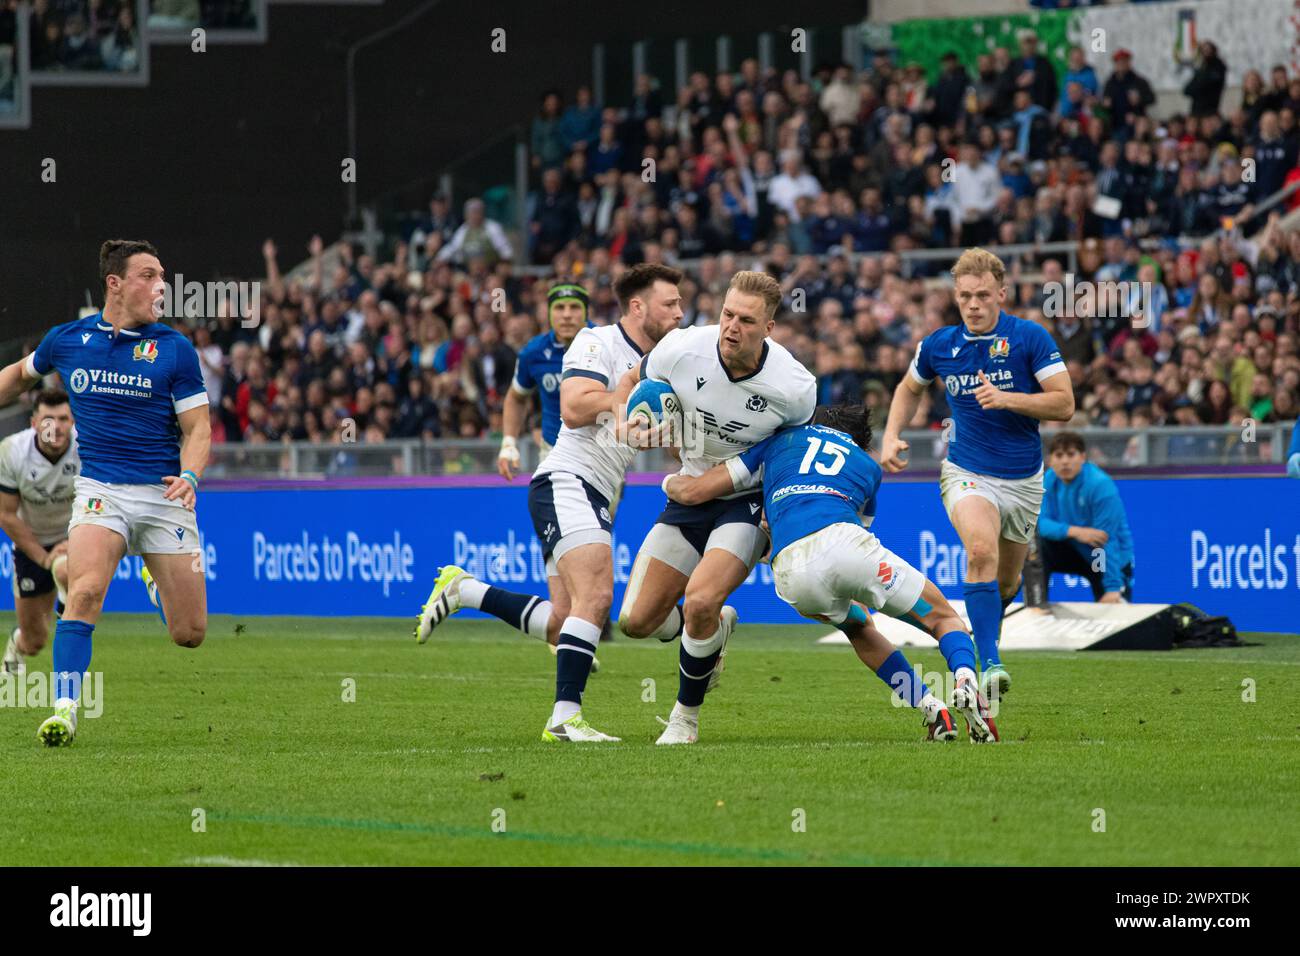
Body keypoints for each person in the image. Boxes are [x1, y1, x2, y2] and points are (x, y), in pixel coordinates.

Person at [415, 265, 684, 742]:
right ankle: (564, 719)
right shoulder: (596, 342)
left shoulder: (660, 360)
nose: (679, 313)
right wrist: (621, 397)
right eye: (670, 304)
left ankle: (465, 591)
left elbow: (622, 430)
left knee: (564, 619)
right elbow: (574, 408)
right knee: (597, 597)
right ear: (638, 307)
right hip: (567, 480)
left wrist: (653, 433)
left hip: (593, 487)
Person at [664, 404, 997, 742]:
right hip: (845, 543)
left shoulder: (781, 441)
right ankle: (966, 680)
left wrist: (670, 484)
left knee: (859, 627)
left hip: (793, 573)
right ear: (860, 439)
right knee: (943, 619)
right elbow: (858, 526)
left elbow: (705, 488)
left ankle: (931, 708)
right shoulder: (869, 465)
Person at [0, 240, 211, 747]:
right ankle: (65, 710)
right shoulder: (67, 340)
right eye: (149, 275)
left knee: (189, 634)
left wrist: (191, 476)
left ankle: (155, 582)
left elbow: (199, 428)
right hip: (101, 491)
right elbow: (17, 377)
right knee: (87, 589)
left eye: (163, 275)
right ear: (115, 284)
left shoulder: (174, 349)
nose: (161, 285)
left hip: (163, 495)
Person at [614, 271, 818, 746]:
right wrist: (631, 420)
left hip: (745, 501)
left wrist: (777, 515)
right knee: (636, 622)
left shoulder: (794, 387)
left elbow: (794, 455)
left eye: (746, 320)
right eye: (727, 314)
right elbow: (630, 381)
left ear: (769, 327)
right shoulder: (681, 348)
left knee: (702, 600)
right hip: (687, 493)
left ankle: (685, 718)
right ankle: (710, 632)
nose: (731, 327)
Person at [880, 248, 1074, 706]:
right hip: (967, 471)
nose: (973, 304)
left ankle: (989, 642)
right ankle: (988, 665)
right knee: (979, 551)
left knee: (1006, 585)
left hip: (1024, 479)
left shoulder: (1030, 338)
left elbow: (1064, 403)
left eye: (983, 295)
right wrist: (890, 435)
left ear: (1002, 294)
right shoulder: (939, 345)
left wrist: (1009, 399)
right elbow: (909, 388)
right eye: (965, 296)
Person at [0, 389, 78, 675]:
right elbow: (6, 515)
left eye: (63, 419)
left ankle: (67, 607)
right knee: (34, 641)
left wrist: (72, 541)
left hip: (76, 537)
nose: (55, 427)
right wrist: (44, 559)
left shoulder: (88, 447)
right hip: (31, 543)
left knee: (67, 569)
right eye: (47, 419)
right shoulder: (11, 452)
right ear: (34, 423)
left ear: (72, 422)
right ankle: (16, 644)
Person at [1031, 431, 1135, 603]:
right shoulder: (1049, 480)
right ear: (1050, 460)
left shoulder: (1100, 485)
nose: (1065, 461)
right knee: (1037, 546)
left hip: (1100, 558)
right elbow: (1039, 524)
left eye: (1071, 454)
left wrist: (1112, 588)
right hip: (1074, 551)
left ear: (1083, 457)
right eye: (1059, 455)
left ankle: (1113, 588)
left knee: (1114, 618)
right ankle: (1036, 601)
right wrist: (1075, 531)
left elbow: (1105, 540)